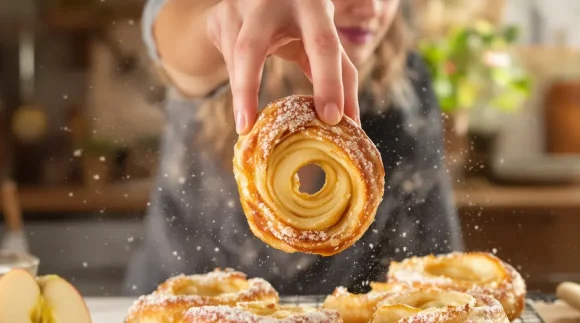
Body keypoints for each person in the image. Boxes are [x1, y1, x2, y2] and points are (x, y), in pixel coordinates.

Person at [124, 0, 463, 296]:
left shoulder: (408, 85)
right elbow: (176, 33)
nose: (372, 7)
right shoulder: (230, 47)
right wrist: (220, 19)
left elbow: (433, 256)